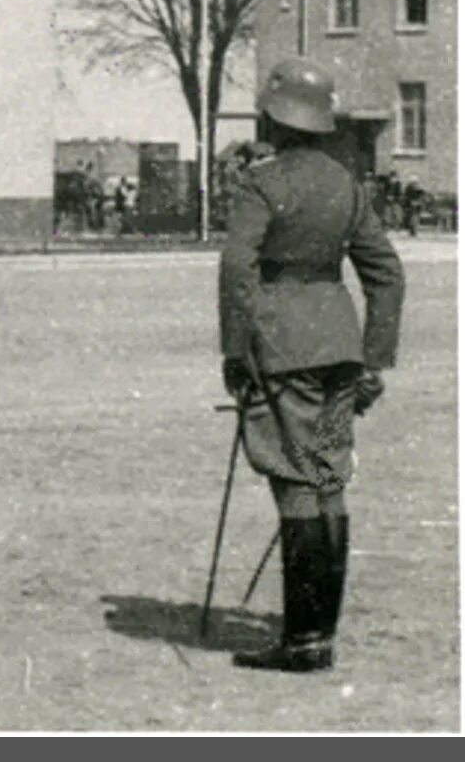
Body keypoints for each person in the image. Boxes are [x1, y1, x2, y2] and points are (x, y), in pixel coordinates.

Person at [220, 57, 404, 673]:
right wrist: (374, 359)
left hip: (283, 350)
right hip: (339, 351)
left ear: (275, 118)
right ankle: (320, 632)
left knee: (295, 483)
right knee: (328, 480)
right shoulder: (345, 184)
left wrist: (236, 351)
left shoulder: (260, 183)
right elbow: (387, 274)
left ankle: (301, 642)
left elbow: (237, 270)